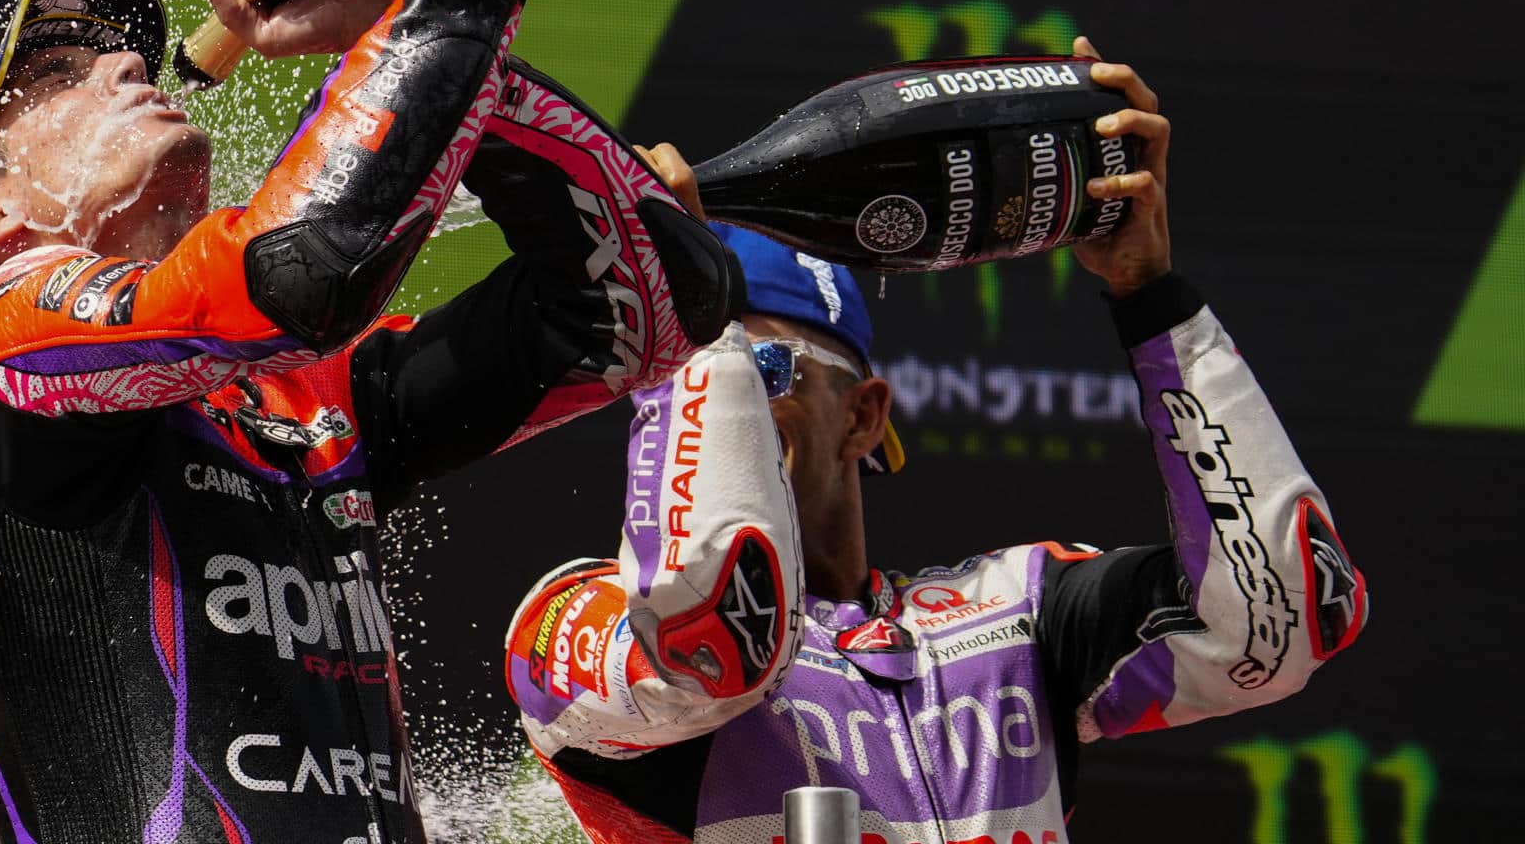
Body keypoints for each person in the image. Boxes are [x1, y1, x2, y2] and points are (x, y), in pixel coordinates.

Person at [0, 0, 745, 844]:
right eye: (56, 78)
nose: (126, 69)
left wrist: (386, 17)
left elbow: (653, 305)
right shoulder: (2, 363)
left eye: (124, 53)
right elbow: (296, 274)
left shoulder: (296, 401)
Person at [506, 46, 1368, 843]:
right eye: (696, 369)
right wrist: (700, 326)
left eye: (765, 365)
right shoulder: (578, 620)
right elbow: (716, 639)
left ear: (864, 415)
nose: (730, 402)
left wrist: (1152, 300)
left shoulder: (1017, 617)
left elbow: (1281, 621)